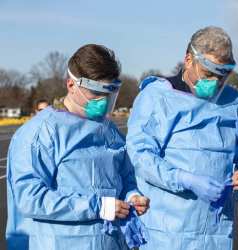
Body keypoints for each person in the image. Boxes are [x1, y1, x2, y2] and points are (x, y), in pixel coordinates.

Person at [126, 26, 238, 250]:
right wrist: (184, 178)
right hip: (165, 233)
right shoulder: (157, 98)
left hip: (216, 232)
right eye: (208, 74)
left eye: (221, 76)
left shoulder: (235, 103)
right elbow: (140, 155)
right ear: (188, 60)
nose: (215, 82)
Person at [6, 44, 150, 250]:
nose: (103, 100)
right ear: (71, 85)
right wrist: (97, 206)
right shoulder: (42, 133)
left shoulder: (109, 130)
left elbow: (125, 177)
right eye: (95, 93)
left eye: (108, 92)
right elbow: (30, 197)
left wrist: (132, 196)